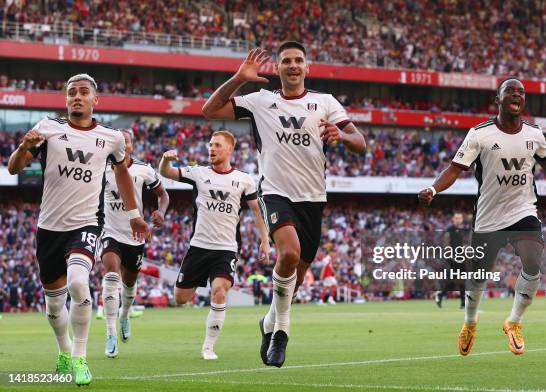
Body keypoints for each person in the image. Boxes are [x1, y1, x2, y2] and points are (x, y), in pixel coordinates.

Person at [201, 41, 366, 367]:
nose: (292, 65)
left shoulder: (325, 102)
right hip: (276, 193)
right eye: (286, 61)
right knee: (288, 253)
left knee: (295, 278)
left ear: (307, 67)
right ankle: (281, 333)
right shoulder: (261, 100)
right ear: (277, 68)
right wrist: (238, 78)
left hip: (313, 199)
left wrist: (342, 136)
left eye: (298, 61)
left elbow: (360, 143)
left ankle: (267, 322)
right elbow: (210, 110)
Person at [418, 77, 546, 357]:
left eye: (521, 92)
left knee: (533, 261)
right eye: (511, 91)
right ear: (498, 99)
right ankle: (469, 323)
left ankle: (514, 322)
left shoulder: (534, 134)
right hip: (489, 216)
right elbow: (455, 169)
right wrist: (433, 188)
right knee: (478, 276)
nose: (517, 95)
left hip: (523, 210)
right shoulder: (479, 134)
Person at [7, 73, 149, 385]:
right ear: (66, 99)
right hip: (49, 227)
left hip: (85, 224)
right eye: (72, 92)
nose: (77, 97)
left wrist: (134, 213)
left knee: (79, 283)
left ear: (95, 101)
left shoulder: (110, 138)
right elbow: (14, 168)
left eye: (84, 92)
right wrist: (22, 147)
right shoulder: (48, 128)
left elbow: (123, 173)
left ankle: (81, 359)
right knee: (55, 303)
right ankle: (65, 351)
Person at [159, 131, 270, 360]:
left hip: (226, 248)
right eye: (210, 144)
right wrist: (166, 160)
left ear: (229, 149)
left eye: (217, 145)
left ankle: (208, 347)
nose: (211, 148)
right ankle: (206, 332)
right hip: (198, 247)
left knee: (219, 292)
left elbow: (257, 211)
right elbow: (166, 172)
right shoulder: (198, 173)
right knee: (180, 298)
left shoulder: (244, 179)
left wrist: (265, 241)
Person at [100, 128, 169, 358]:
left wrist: (161, 211)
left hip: (135, 237)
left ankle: (125, 314)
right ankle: (110, 334)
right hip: (110, 232)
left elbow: (164, 195)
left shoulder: (144, 169)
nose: (122, 143)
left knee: (129, 284)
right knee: (111, 275)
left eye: (126, 140)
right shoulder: (102, 167)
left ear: (130, 146)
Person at [434, 212, 468, 309]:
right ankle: (441, 296)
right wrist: (451, 256)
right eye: (456, 218)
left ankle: (462, 303)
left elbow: (462, 244)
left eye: (460, 218)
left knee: (459, 282)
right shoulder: (450, 230)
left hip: (461, 259)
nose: (458, 220)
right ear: (453, 219)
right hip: (453, 259)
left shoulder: (462, 231)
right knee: (453, 282)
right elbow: (446, 244)